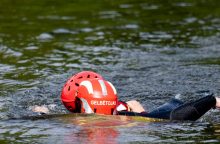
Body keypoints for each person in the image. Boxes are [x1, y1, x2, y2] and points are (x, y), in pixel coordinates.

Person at [58, 71, 220, 121]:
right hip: (155, 113)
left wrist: (212, 100)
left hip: (167, 111)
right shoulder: (120, 108)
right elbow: (134, 103)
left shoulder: (78, 122)